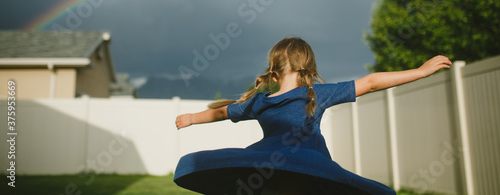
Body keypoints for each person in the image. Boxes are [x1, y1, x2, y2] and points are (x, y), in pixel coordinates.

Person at [174, 37, 452, 195]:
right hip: (305, 173)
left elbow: (223, 112)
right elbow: (371, 82)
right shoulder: (316, 94)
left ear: (273, 73)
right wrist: (420, 71)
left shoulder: (261, 101)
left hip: (271, 174)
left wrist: (191, 118)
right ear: (309, 69)